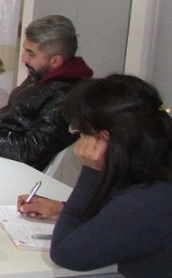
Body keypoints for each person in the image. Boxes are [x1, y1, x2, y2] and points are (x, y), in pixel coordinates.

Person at [16, 75, 172, 276]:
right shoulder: (155, 169)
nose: (79, 142)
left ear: (103, 139)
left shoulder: (148, 201)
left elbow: (66, 254)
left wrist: (92, 170)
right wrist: (62, 209)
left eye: (81, 132)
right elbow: (119, 218)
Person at [0, 15, 93, 170]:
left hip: (6, 169)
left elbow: (30, 150)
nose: (24, 58)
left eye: (31, 54)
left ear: (55, 61)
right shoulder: (42, 76)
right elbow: (10, 116)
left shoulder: (66, 98)